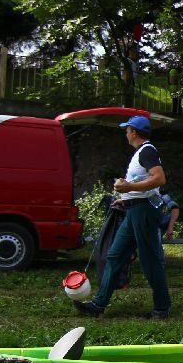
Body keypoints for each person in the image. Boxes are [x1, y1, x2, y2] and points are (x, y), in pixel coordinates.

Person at [74, 115, 171, 319]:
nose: (125, 133)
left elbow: (159, 178)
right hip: (133, 209)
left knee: (150, 261)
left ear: (134, 132)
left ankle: (162, 308)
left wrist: (128, 187)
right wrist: (125, 198)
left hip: (144, 211)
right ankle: (98, 304)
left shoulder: (147, 151)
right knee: (115, 255)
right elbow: (143, 182)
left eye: (126, 130)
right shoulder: (141, 153)